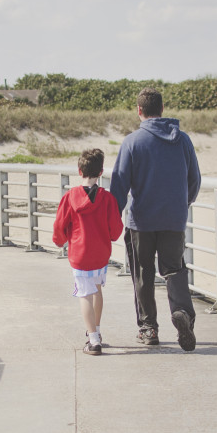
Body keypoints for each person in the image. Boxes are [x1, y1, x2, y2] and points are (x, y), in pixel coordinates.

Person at [109, 88, 201, 351]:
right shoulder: (182, 140)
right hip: (173, 218)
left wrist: (112, 217)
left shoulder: (132, 142)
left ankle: (148, 328)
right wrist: (183, 204)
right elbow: (194, 179)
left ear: (139, 111)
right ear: (162, 109)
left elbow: (119, 185)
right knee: (174, 269)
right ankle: (182, 313)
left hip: (141, 221)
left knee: (142, 272)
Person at [52, 148, 124, 355]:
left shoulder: (70, 197)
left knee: (84, 294)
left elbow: (59, 225)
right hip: (100, 253)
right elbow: (116, 231)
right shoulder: (108, 199)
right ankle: (97, 330)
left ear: (79, 170)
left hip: (80, 254)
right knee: (97, 290)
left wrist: (59, 241)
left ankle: (93, 341)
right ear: (101, 172)